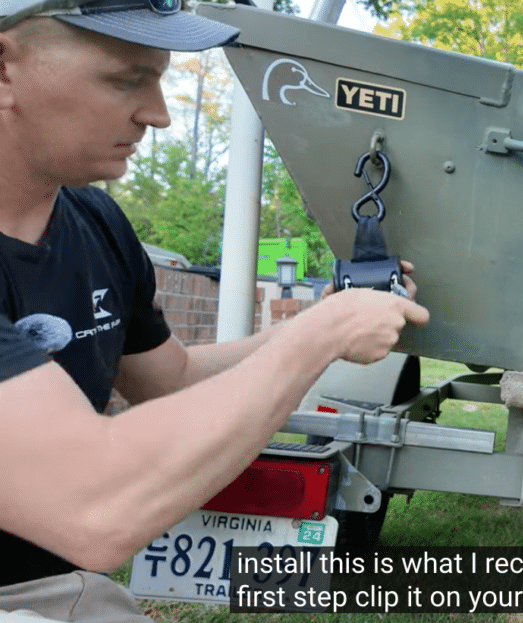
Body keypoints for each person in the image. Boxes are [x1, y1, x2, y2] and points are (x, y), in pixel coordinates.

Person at [0, 0, 430, 620]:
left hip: (47, 586)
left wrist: (322, 321)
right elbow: (92, 510)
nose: (161, 115)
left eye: (160, 78)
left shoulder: (95, 222)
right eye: (125, 79)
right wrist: (320, 337)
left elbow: (169, 382)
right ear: (5, 69)